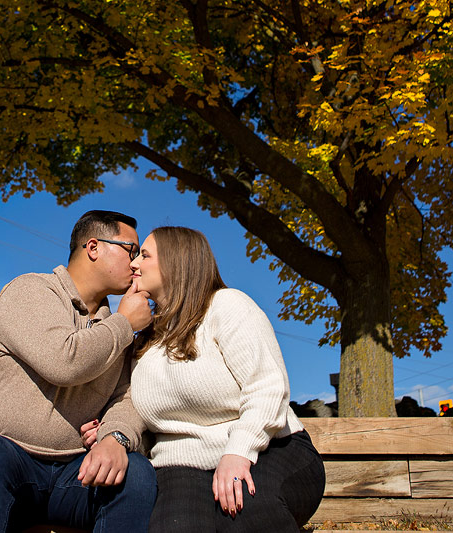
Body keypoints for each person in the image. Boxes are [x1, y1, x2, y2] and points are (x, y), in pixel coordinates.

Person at [83, 225, 324, 532]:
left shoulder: (227, 306)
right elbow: (138, 410)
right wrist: (109, 430)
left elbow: (267, 388)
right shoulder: (143, 340)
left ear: (176, 261)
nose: (134, 264)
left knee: (245, 512)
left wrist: (237, 454)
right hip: (179, 465)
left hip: (269, 450)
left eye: (144, 255)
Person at [0, 209, 157, 532]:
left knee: (135, 472)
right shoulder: (30, 291)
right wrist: (124, 323)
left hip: (76, 472)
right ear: (93, 248)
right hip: (7, 464)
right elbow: (64, 361)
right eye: (130, 250)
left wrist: (114, 438)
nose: (136, 262)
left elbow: (126, 396)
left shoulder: (116, 328)